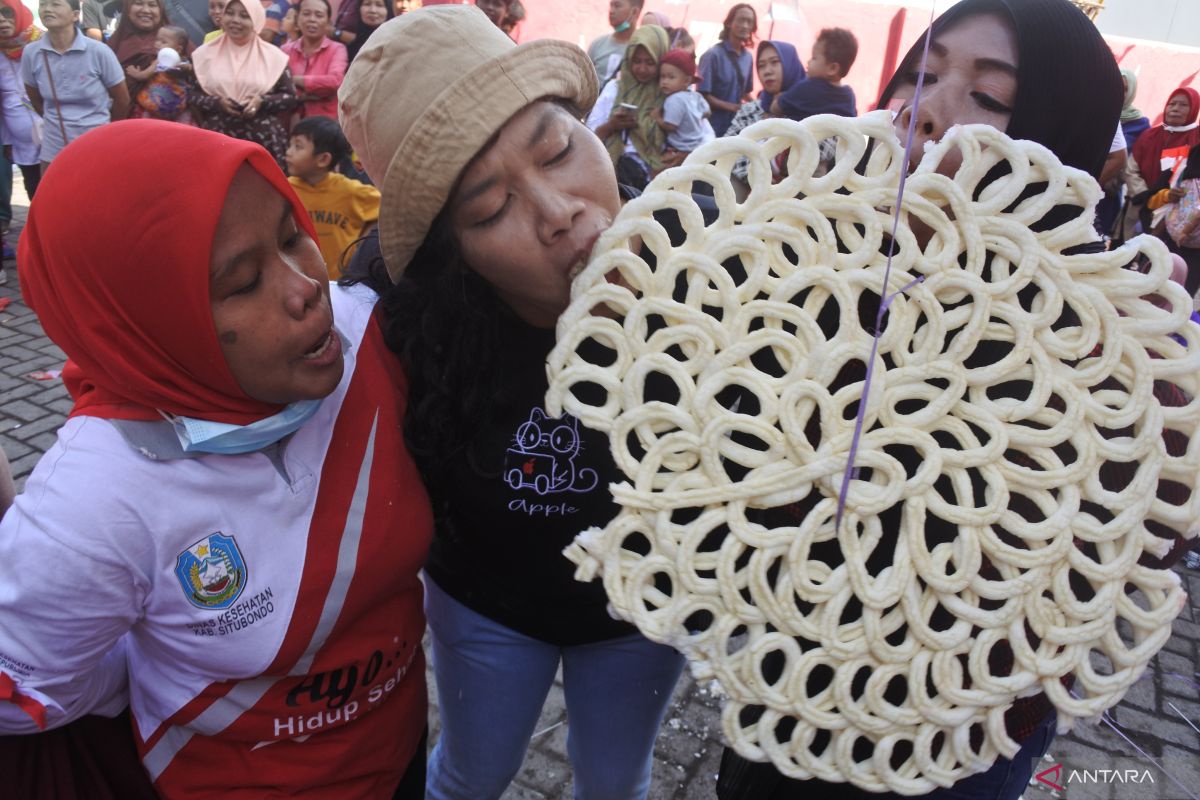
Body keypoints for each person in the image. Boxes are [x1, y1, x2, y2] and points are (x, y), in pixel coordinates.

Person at [715, 0, 1135, 797]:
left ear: (1059, 132)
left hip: (952, 723)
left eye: (989, 98)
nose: (927, 110)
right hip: (788, 673)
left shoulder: (1093, 348)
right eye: (923, 74)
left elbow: (1107, 562)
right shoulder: (820, 255)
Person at [0, 119, 432, 798]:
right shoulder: (95, 499)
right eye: (242, 283)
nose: (304, 288)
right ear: (147, 321)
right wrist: (144, 661)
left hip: (401, 754)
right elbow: (24, 692)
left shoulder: (366, 334)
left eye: (293, 238)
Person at [339, 6, 687, 798]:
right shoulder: (401, 329)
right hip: (484, 604)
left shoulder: (709, 271)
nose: (558, 210)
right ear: (447, 251)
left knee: (615, 781)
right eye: (490, 210)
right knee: (472, 774)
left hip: (643, 613)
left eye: (560, 149)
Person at [190, 0, 298, 169]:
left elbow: (290, 97)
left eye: (244, 15)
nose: (235, 20)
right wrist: (217, 103)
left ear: (256, 19)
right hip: (218, 140)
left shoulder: (273, 57)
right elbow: (192, 94)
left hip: (262, 141)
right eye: (230, 13)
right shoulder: (204, 54)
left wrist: (261, 101)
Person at [21, 0, 129, 169]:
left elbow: (122, 99)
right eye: (43, 4)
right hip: (54, 148)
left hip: (97, 144)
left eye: (55, 4)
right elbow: (35, 99)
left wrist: (106, 132)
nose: (47, 9)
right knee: (56, 194)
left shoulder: (98, 51)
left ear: (75, 15)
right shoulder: (31, 53)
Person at [286, 115, 379, 277]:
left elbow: (385, 208)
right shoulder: (286, 190)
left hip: (341, 280)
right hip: (301, 278)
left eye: (298, 146)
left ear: (323, 159)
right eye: (290, 145)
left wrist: (362, 245)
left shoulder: (350, 191)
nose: (288, 152)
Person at [586, 23, 669, 190]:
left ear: (661, 61)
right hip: (610, 178)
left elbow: (700, 138)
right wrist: (611, 126)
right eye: (636, 61)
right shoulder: (615, 89)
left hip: (655, 185)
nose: (642, 69)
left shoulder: (670, 94)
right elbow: (588, 137)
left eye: (650, 62)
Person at [722, 39, 805, 185]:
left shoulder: (810, 109)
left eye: (774, 62)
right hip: (746, 197)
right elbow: (727, 150)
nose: (767, 71)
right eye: (761, 66)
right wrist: (761, 178)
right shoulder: (751, 109)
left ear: (790, 64)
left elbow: (821, 152)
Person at [0, 0, 43, 259]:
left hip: (53, 136)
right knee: (33, 189)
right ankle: (39, 239)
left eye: (7, 15)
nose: (3, 22)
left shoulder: (41, 46)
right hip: (21, 141)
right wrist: (7, 142)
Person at [770, 27, 857, 120]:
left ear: (832, 68)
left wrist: (779, 98)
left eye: (814, 58)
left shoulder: (807, 88)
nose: (808, 62)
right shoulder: (849, 95)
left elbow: (775, 108)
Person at [282, 0, 347, 119]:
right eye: (306, 13)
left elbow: (335, 81)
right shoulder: (285, 51)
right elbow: (278, 85)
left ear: (328, 22)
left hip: (324, 123)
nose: (312, 19)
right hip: (288, 119)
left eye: (319, 15)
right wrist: (317, 92)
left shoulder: (337, 49)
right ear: (298, 19)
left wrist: (294, 79)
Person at [698, 2, 755, 137]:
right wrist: (733, 107)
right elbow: (702, 95)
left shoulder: (748, 57)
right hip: (711, 128)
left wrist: (759, 107)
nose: (745, 25)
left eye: (750, 22)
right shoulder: (712, 55)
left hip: (736, 127)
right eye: (741, 20)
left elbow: (745, 92)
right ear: (729, 23)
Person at [653, 47, 713, 157]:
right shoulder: (696, 96)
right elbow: (707, 112)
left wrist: (658, 118)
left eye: (671, 77)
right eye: (662, 77)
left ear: (686, 81)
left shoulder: (673, 100)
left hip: (681, 146)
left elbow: (671, 126)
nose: (665, 82)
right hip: (698, 143)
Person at [108, 0, 173, 101]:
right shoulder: (114, 44)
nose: (146, 10)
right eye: (138, 3)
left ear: (161, 10)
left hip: (170, 112)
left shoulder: (176, 41)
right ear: (127, 10)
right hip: (126, 114)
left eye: (152, 5)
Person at [132, 25, 195, 122]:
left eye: (163, 42)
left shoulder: (161, 61)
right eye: (157, 40)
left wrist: (134, 73)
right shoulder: (183, 61)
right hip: (170, 106)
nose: (157, 44)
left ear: (178, 49)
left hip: (156, 105)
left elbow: (143, 76)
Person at [587, 0, 642, 83]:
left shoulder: (641, 48)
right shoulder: (597, 45)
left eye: (617, 6)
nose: (611, 11)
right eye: (611, 6)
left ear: (634, 12)